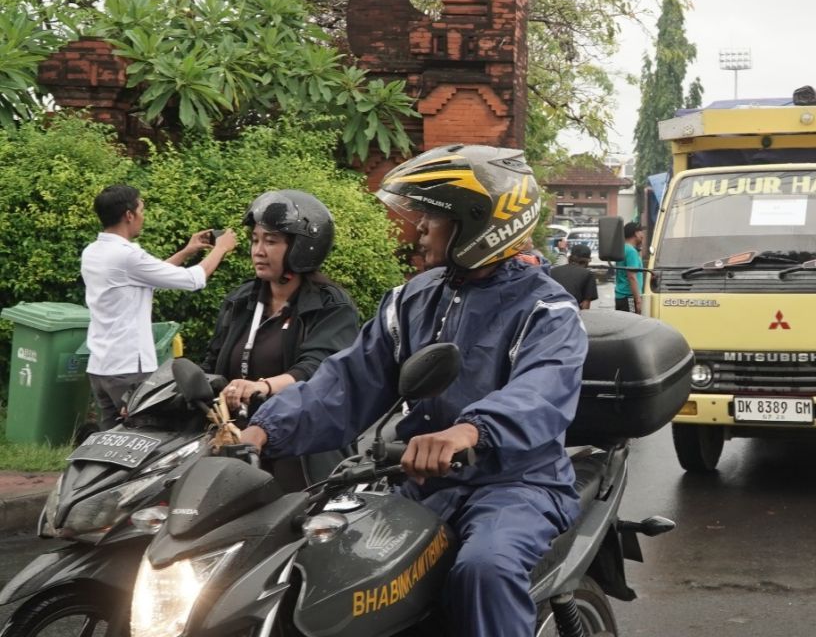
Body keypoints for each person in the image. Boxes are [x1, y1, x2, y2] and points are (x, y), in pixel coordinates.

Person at [238, 145, 587, 637]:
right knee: (332, 570)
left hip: (516, 485)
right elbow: (346, 382)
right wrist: (261, 431)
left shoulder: (547, 310)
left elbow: (541, 391)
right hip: (418, 481)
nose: (418, 227)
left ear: (480, 223)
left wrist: (469, 431)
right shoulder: (412, 299)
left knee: (484, 571)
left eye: (432, 217)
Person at [202, 190, 359, 490]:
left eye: (271, 241)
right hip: (237, 448)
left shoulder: (330, 306)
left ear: (302, 247)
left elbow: (318, 370)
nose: (258, 251)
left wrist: (263, 386)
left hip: (302, 451)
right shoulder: (242, 300)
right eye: (255, 240)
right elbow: (212, 363)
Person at [81, 184, 238, 429]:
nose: (143, 216)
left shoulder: (93, 252)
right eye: (142, 209)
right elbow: (193, 280)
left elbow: (146, 277)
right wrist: (221, 248)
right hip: (128, 369)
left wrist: (187, 251)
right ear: (129, 215)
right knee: (141, 440)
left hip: (101, 368)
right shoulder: (126, 255)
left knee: (109, 443)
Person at [549, 243, 599, 309]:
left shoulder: (552, 271)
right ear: (587, 261)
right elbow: (585, 304)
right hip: (572, 314)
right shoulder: (588, 274)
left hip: (550, 313)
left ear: (569, 257)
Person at [613, 221, 645, 314]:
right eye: (641, 232)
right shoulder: (631, 251)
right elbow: (632, 276)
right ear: (636, 233)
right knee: (633, 326)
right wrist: (638, 300)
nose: (642, 235)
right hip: (629, 297)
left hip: (621, 297)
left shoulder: (622, 248)